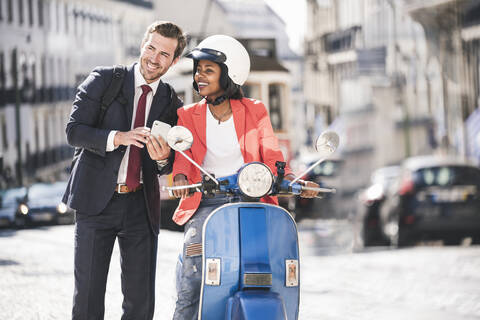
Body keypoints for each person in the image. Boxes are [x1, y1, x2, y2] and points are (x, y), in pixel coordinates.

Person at [170, 34, 319, 320]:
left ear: (229, 75)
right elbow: (182, 161)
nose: (199, 75)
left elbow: (274, 159)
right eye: (198, 69)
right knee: (193, 274)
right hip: (208, 204)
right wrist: (179, 179)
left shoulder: (255, 110)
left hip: (255, 200)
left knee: (274, 269)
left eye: (208, 70)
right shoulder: (187, 115)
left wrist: (296, 182)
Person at [62, 21, 186, 320]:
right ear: (142, 44)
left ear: (174, 61)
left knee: (140, 303)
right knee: (88, 298)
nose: (154, 58)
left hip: (140, 206)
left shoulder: (171, 101)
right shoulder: (104, 80)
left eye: (164, 54)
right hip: (95, 203)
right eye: (151, 48)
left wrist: (161, 159)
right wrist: (117, 137)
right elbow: (74, 132)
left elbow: (168, 163)